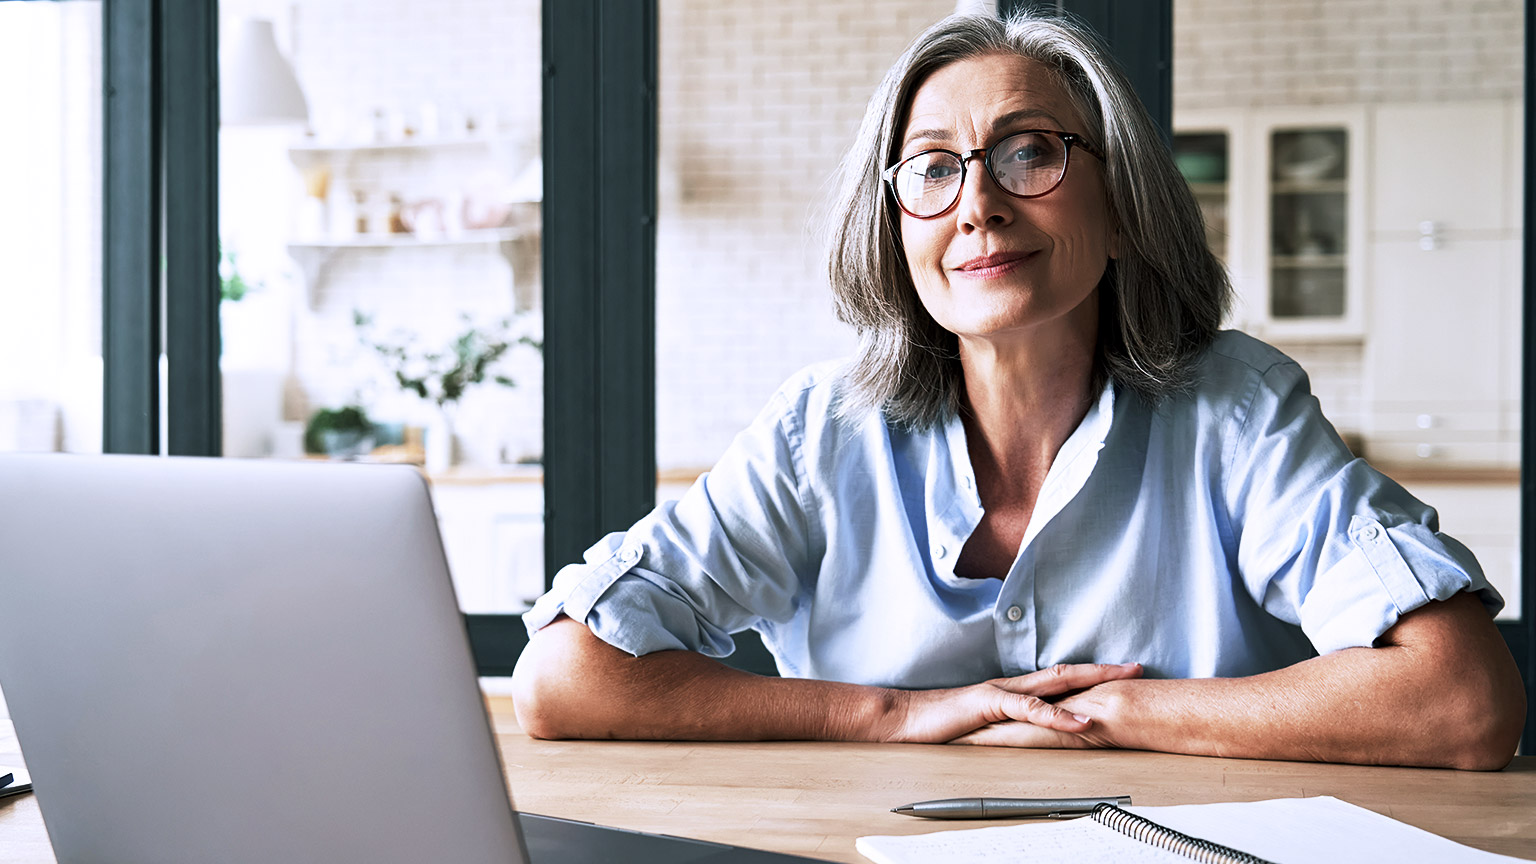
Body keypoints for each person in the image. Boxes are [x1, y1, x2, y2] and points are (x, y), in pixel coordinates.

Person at [512, 11, 1525, 769]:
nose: (979, 206)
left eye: (1029, 151)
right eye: (932, 169)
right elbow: (565, 679)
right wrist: (900, 714)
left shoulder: (1239, 408)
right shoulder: (820, 432)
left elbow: (1462, 700)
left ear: (1121, 202)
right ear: (896, 225)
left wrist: (1107, 713)